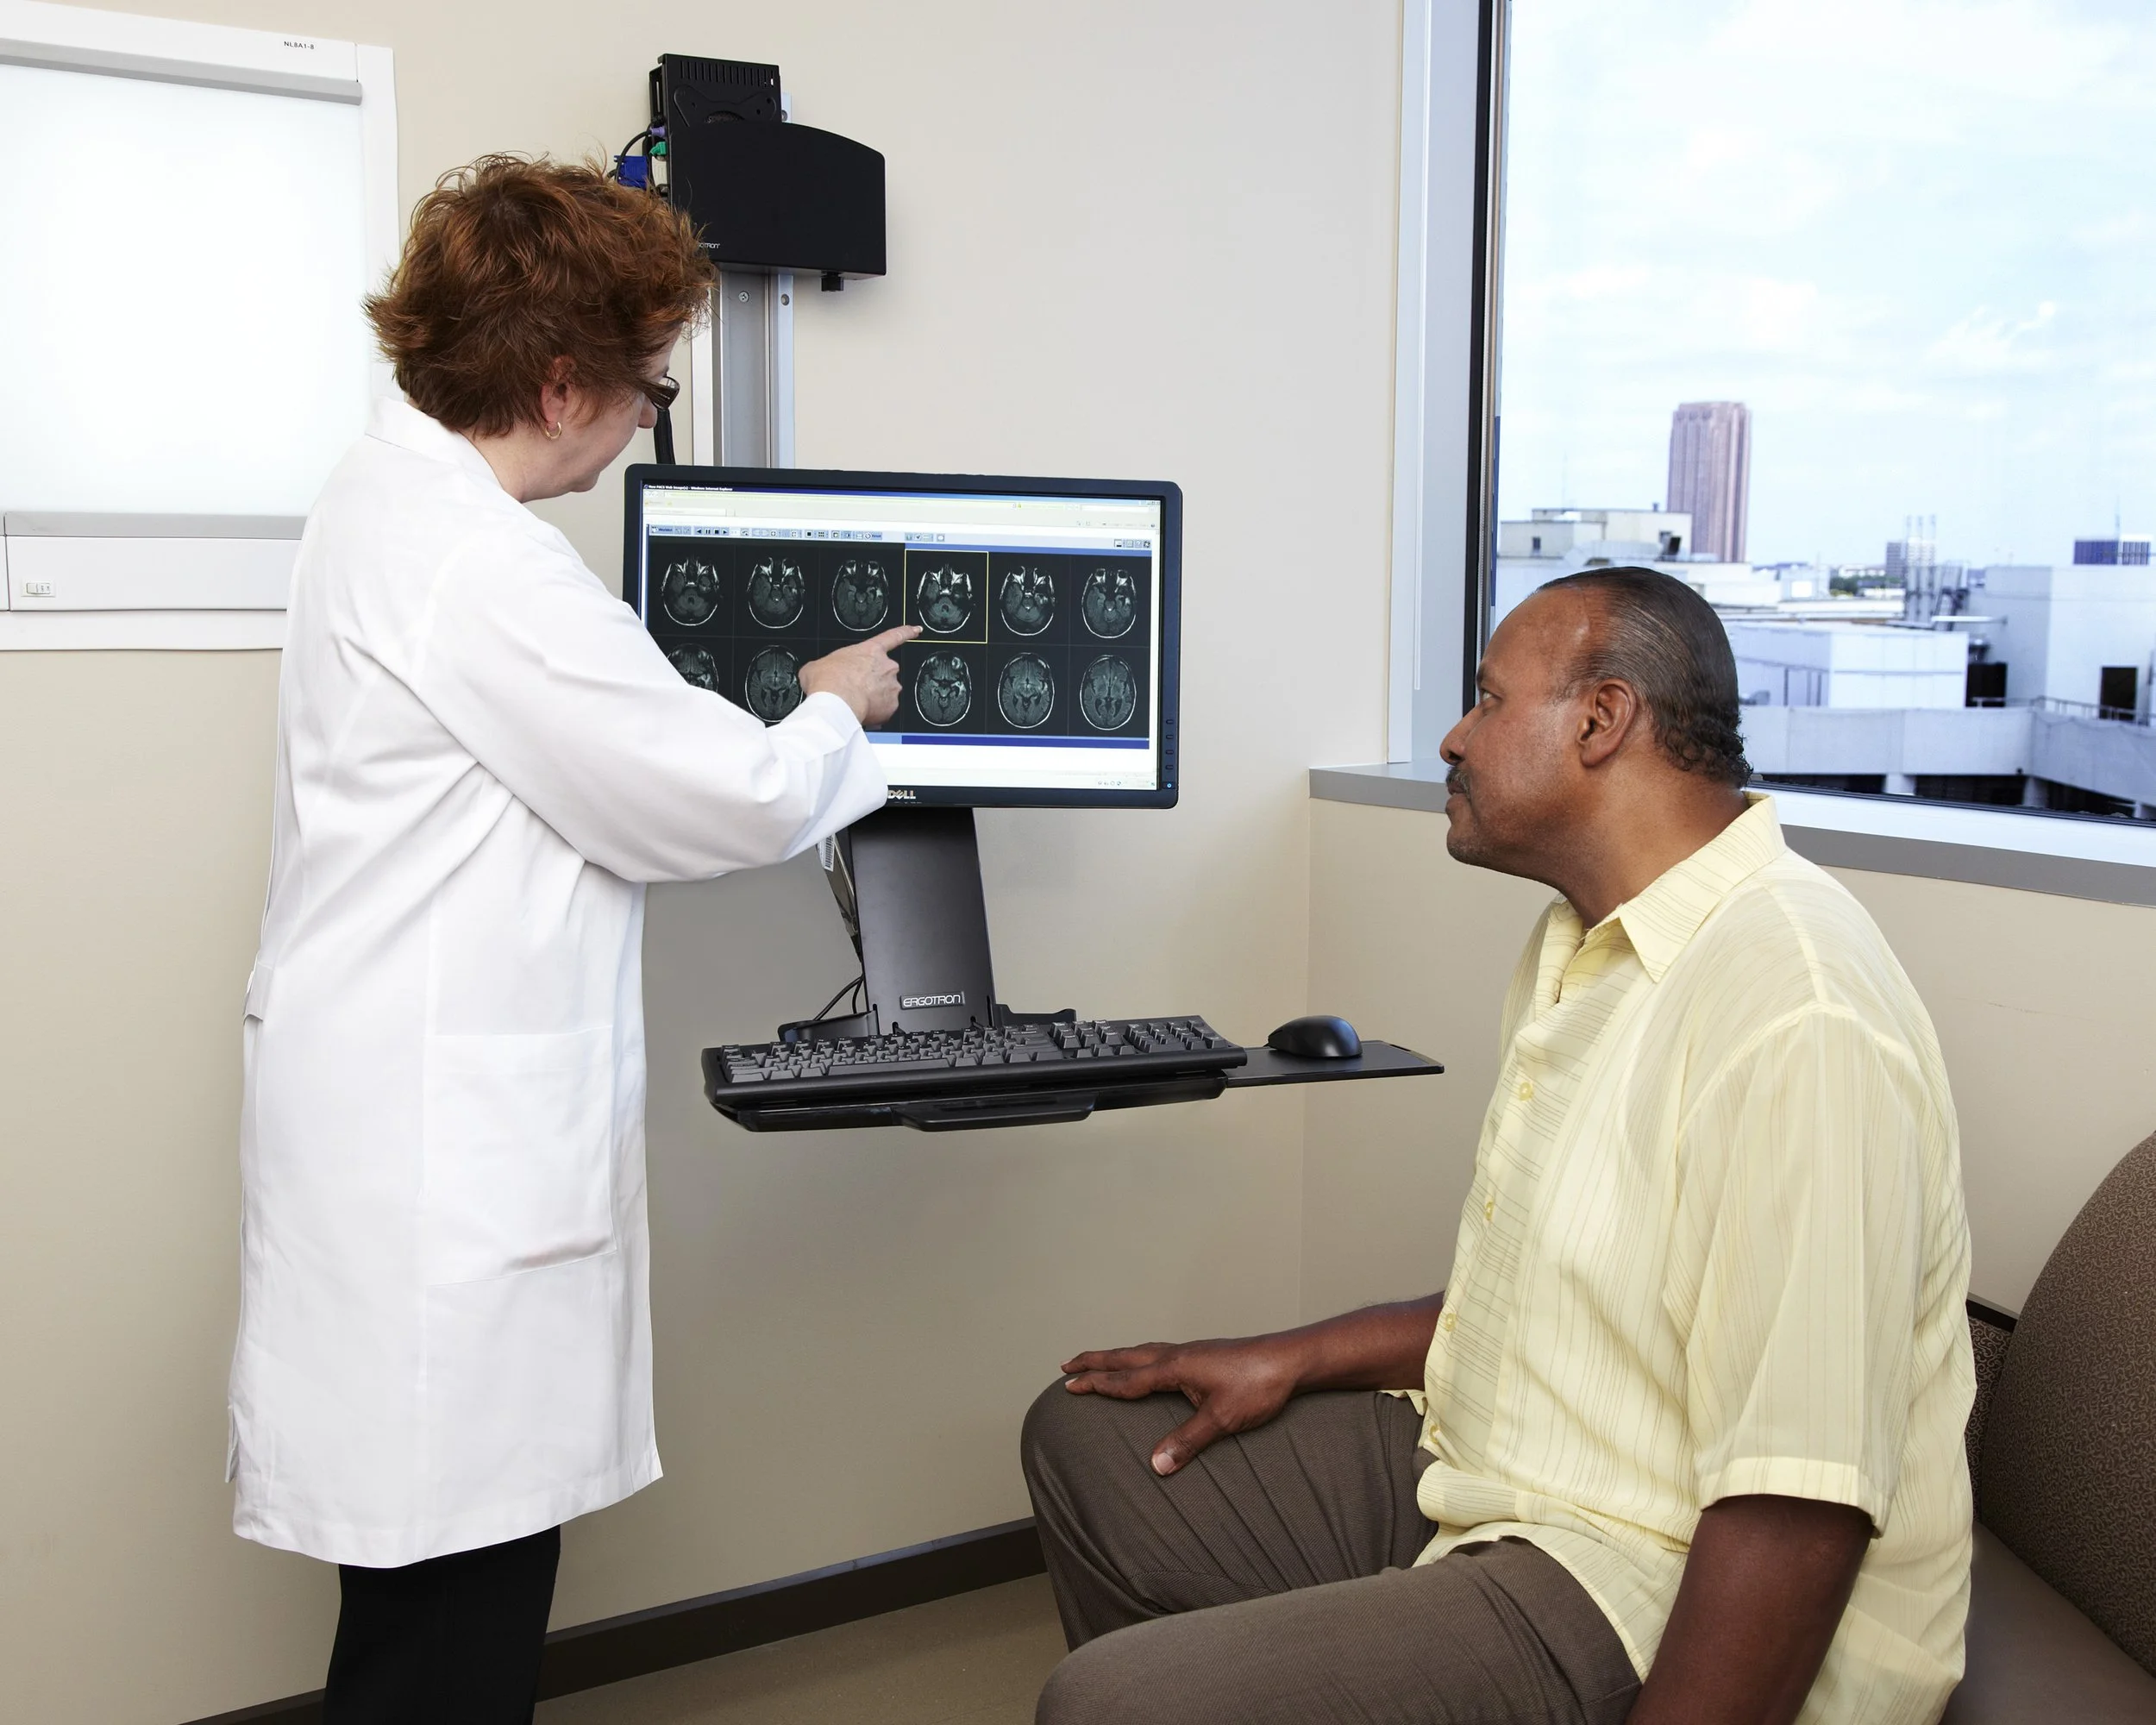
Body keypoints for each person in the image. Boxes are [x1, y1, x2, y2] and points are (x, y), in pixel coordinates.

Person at [1022, 568, 1973, 1725]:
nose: (1452, 736)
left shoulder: (1798, 1013)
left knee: (1112, 1705)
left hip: (1639, 1565)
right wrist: (1286, 1354)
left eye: (1484, 699)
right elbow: (1549, 1296)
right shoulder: (1579, 942)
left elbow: (1798, 1507)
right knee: (1090, 1439)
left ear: (1600, 720)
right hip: (1502, 1473)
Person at [227, 156, 916, 1724]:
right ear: (559, 383)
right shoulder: (482, 568)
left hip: (405, 1141)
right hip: (438, 1185)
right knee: (449, 1635)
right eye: (650, 388)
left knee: (424, 1623)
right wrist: (833, 707)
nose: (647, 420)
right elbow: (714, 798)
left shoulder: (385, 497)